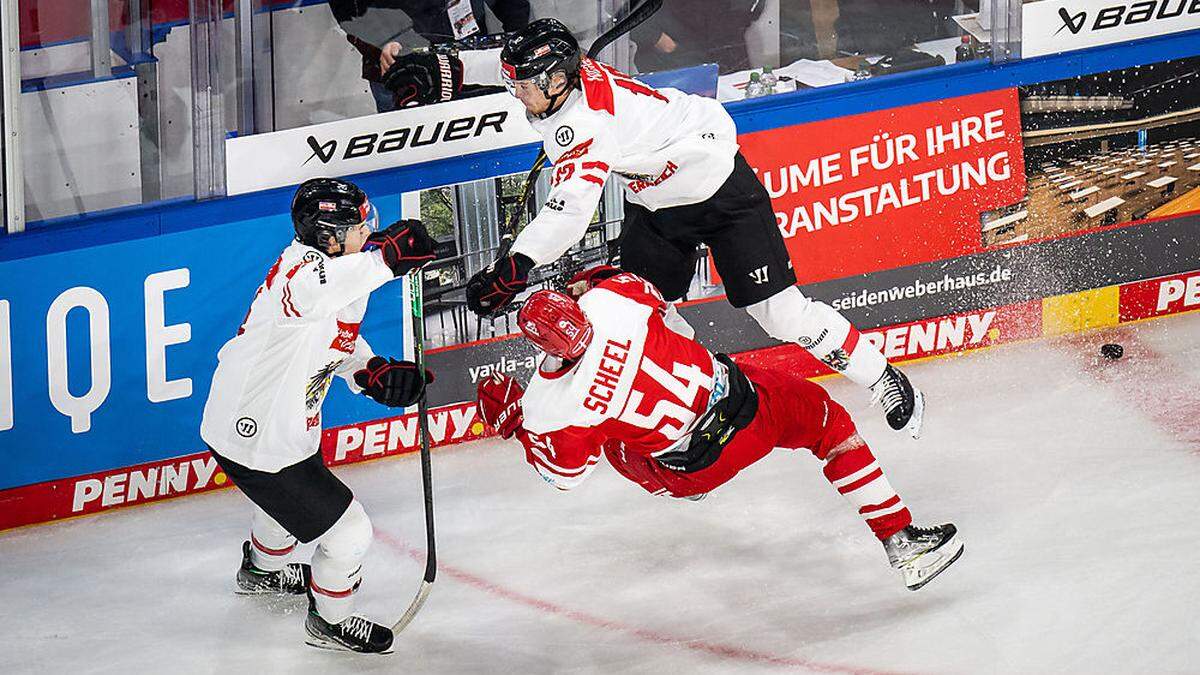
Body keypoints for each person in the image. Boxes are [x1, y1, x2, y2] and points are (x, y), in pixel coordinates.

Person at [382, 18, 925, 437]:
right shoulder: (557, 85)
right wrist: (439, 69)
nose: (515, 94)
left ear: (555, 80)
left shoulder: (583, 124)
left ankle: (882, 377)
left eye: (523, 86)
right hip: (658, 201)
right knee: (641, 316)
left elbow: (572, 210)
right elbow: (500, 64)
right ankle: (708, 407)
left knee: (780, 314)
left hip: (718, 189)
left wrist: (514, 266)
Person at [475, 269, 963, 591]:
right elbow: (656, 300)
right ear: (576, 310)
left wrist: (517, 423)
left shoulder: (548, 406)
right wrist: (586, 284)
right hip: (750, 406)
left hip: (692, 471)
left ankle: (672, 488)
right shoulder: (613, 300)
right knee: (830, 425)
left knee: (608, 441)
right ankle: (900, 539)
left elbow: (564, 476)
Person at [199, 177, 437, 653]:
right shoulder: (302, 270)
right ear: (328, 233)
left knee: (283, 510)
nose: (369, 229)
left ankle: (261, 571)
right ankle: (329, 621)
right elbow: (309, 296)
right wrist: (385, 261)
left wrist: (369, 371)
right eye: (358, 224)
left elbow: (335, 338)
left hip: (282, 427)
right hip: (257, 436)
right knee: (350, 534)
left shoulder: (344, 272)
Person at [329, 0, 529, 112]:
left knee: (487, 146)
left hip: (470, 59)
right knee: (413, 164)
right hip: (404, 72)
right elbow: (349, 12)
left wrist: (519, 37)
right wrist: (387, 40)